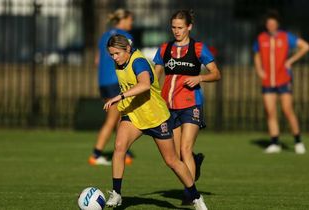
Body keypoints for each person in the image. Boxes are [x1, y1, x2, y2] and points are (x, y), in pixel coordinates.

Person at [103, 34, 208, 210]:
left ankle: (196, 197)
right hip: (134, 114)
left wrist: (119, 97)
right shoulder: (120, 60)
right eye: (111, 54)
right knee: (119, 146)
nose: (114, 58)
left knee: (172, 161)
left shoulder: (139, 62)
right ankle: (117, 193)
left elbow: (144, 84)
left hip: (156, 117)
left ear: (127, 49)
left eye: (116, 54)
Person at [153, 10, 221, 204]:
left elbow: (216, 74)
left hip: (191, 104)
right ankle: (194, 161)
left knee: (185, 148)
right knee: (175, 157)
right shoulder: (165, 49)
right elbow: (155, 76)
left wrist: (199, 77)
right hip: (168, 106)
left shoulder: (199, 49)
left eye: (180, 27)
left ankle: (189, 195)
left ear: (189, 27)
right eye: (173, 27)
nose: (176, 31)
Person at [253, 11, 309, 154]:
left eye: (273, 23)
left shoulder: (286, 37)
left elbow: (305, 47)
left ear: (277, 24)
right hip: (268, 82)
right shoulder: (261, 38)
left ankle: (298, 141)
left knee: (287, 110)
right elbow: (257, 55)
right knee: (270, 112)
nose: (271, 25)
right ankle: (275, 142)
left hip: (283, 79)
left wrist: (291, 61)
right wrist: (259, 70)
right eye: (268, 23)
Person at [89, 9, 135, 166]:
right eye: (130, 20)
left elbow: (97, 60)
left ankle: (124, 152)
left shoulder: (104, 36)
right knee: (112, 119)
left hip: (103, 82)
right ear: (123, 20)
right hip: (115, 82)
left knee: (118, 117)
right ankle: (96, 154)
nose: (132, 23)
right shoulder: (125, 37)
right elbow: (130, 60)